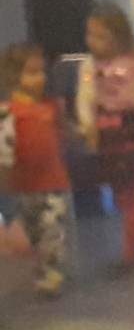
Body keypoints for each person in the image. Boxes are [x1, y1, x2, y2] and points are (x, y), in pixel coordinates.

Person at [77, 3, 134, 272]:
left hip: (130, 132)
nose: (93, 41)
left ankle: (131, 252)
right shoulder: (89, 67)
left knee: (129, 193)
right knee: (119, 192)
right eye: (90, 34)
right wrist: (88, 125)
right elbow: (85, 98)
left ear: (119, 37)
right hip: (105, 134)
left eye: (100, 36)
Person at [2, 43, 70, 297]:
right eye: (31, 73)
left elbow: (63, 133)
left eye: (41, 72)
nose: (39, 78)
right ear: (13, 76)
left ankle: (51, 273)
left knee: (52, 228)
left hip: (53, 181)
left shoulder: (49, 107)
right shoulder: (8, 112)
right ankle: (42, 266)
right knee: (34, 230)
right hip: (25, 184)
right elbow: (5, 148)